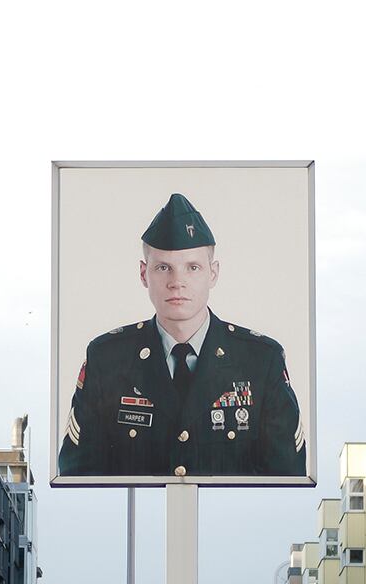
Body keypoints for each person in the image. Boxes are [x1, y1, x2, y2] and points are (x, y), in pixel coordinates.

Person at [58, 193, 306, 479]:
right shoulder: (107, 358)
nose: (177, 282)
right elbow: (79, 475)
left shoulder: (261, 360)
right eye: (163, 267)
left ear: (213, 274)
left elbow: (286, 475)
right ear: (143, 274)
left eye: (193, 267)